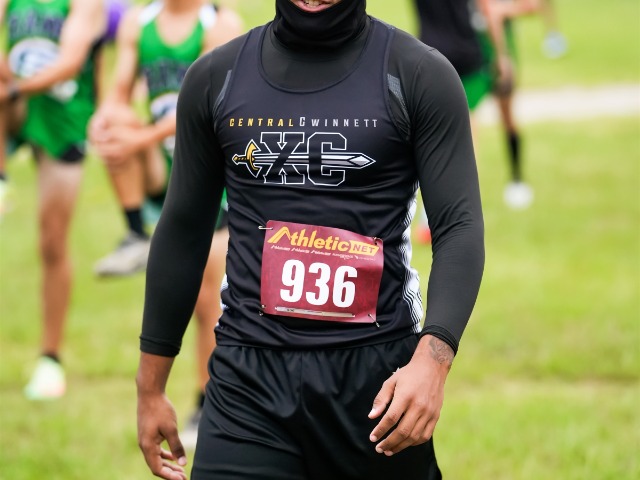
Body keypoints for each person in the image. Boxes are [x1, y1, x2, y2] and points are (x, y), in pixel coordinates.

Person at [136, 0, 484, 479]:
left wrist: (434, 359)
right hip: (247, 383)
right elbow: (183, 230)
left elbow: (459, 227)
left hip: (377, 387)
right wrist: (150, 388)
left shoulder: (418, 74)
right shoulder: (217, 78)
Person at [87, 0, 242, 447]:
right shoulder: (140, 22)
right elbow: (120, 90)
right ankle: (135, 231)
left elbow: (209, 108)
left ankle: (205, 401)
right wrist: (105, 119)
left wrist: (138, 138)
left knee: (208, 299)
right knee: (115, 120)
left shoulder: (219, 23)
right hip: (163, 166)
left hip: (213, 175)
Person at [0, 0, 106, 400]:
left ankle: (50, 359)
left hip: (64, 119)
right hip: (15, 103)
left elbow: (69, 63)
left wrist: (12, 87)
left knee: (52, 242)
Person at [412, 0, 507, 240]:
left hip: (429, 55)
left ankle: (427, 216)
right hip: (467, 57)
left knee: (428, 138)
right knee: (468, 135)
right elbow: (487, 11)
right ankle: (459, 215)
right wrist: (500, 56)